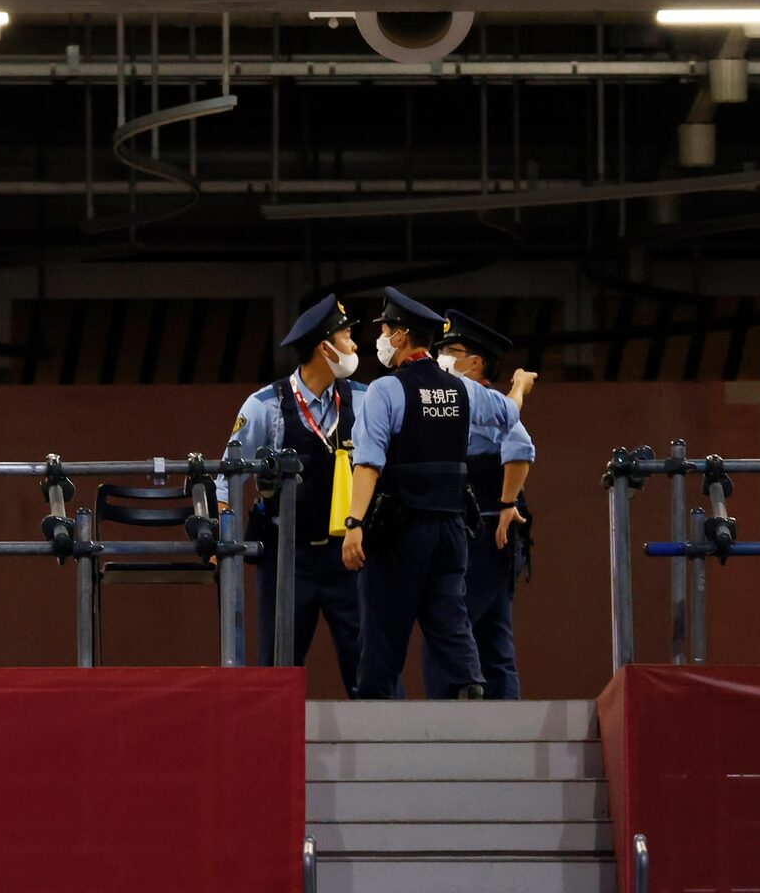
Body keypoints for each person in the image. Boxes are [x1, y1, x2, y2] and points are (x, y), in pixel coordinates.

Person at [341, 289, 484, 702]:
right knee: (450, 620)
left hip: (399, 531)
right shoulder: (462, 390)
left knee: (383, 628)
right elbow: (507, 418)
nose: (380, 337)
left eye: (384, 330)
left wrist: (353, 524)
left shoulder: (386, 391)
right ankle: (471, 696)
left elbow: (367, 463)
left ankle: (373, 724)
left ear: (401, 337)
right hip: (452, 527)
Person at [222, 292, 364, 689]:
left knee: (371, 669)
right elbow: (225, 478)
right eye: (348, 336)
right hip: (286, 560)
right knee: (275, 673)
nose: (355, 344)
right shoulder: (264, 406)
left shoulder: (367, 401)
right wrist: (222, 541)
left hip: (349, 558)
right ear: (326, 347)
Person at [419, 312, 538, 702]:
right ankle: (506, 721)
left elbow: (519, 448)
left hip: (484, 533)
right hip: (469, 532)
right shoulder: (456, 401)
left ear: (477, 362)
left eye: (452, 352)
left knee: (448, 627)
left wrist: (506, 503)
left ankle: (443, 721)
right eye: (440, 351)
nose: (442, 359)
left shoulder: (481, 401)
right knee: (492, 635)